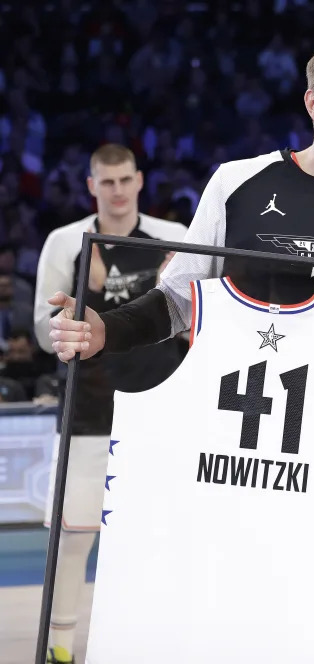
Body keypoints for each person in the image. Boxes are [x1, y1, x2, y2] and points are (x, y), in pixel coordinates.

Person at [44, 38, 314, 662]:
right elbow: (177, 300)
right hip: (237, 454)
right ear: (313, 102)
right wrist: (102, 332)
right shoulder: (240, 183)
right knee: (234, 625)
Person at [33, 143, 187, 664]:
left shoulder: (177, 239)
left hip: (161, 416)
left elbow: (206, 319)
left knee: (157, 541)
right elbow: (40, 330)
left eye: (126, 180)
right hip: (90, 414)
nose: (117, 191)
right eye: (107, 182)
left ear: (140, 181)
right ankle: (59, 650)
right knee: (73, 540)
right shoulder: (65, 241)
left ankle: (150, 645)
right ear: (91, 185)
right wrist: (85, 297)